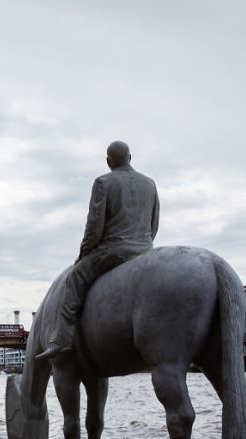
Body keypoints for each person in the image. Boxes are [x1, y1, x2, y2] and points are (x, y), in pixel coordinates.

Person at [37, 141, 160, 360]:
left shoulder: (103, 182)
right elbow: (154, 224)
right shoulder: (150, 184)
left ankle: (61, 340)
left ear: (108, 161)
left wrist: (83, 254)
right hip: (145, 250)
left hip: (113, 251)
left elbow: (94, 229)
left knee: (73, 279)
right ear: (130, 157)